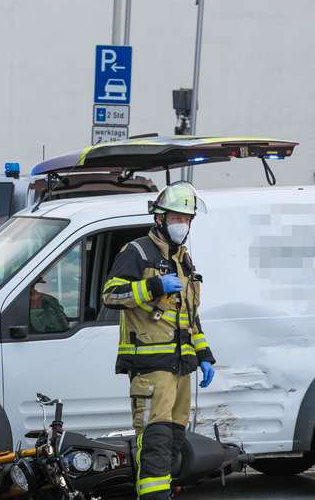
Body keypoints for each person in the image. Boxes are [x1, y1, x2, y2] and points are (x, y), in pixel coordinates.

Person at [101, 182, 216, 500]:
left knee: (173, 441)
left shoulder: (184, 260)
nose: (183, 224)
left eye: (186, 219)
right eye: (177, 218)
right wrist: (151, 286)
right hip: (150, 367)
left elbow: (189, 316)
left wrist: (204, 354)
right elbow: (110, 295)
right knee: (155, 440)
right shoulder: (136, 252)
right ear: (159, 219)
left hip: (180, 367)